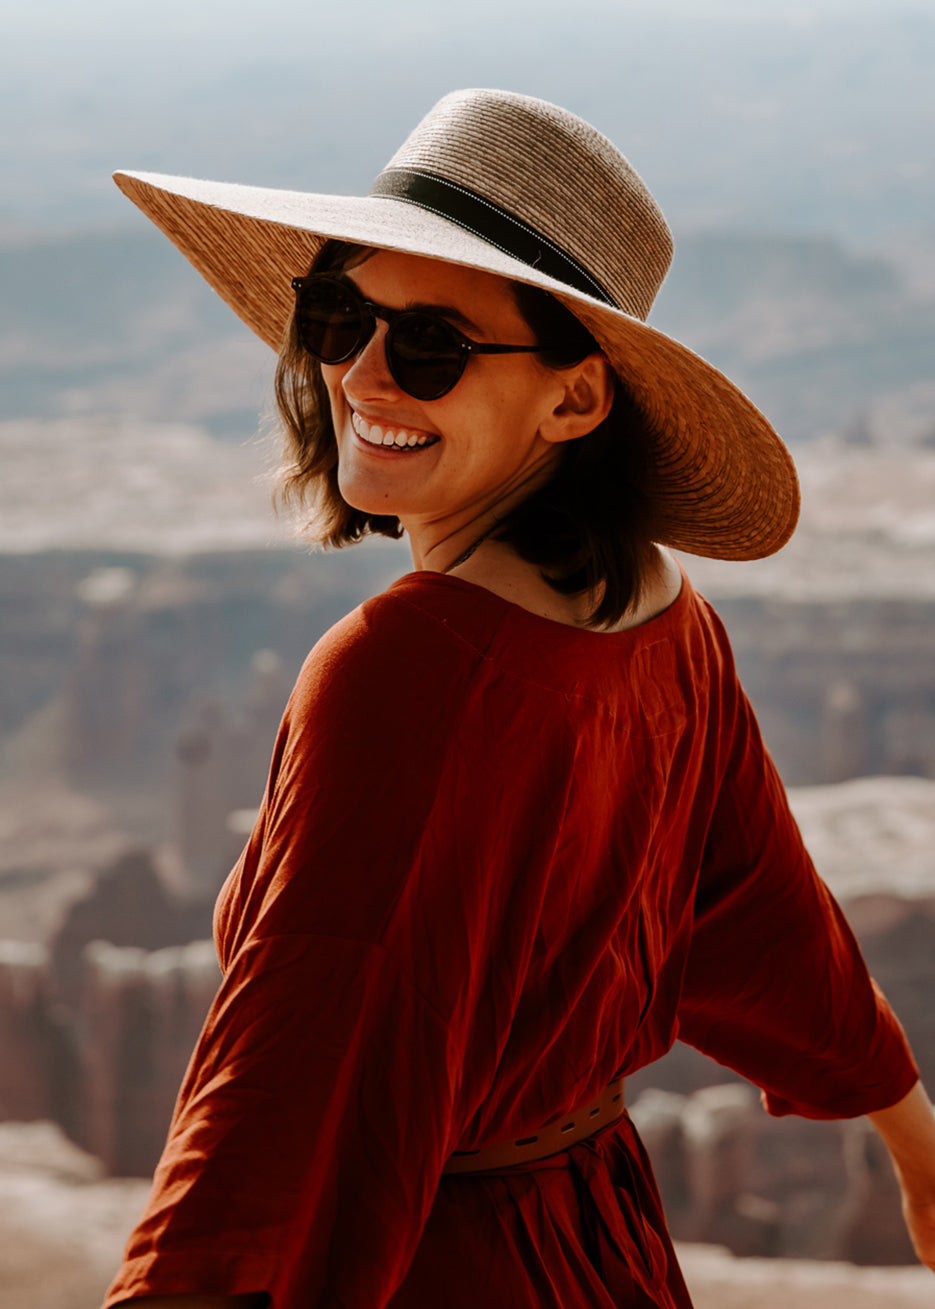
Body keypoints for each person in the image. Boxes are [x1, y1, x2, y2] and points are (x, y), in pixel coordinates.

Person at [102, 89, 935, 1309]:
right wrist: (912, 1134)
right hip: (595, 1245)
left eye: (431, 344)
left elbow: (283, 1107)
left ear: (574, 399)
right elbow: (753, 913)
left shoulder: (399, 672)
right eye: (337, 317)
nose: (363, 373)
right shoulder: (658, 615)